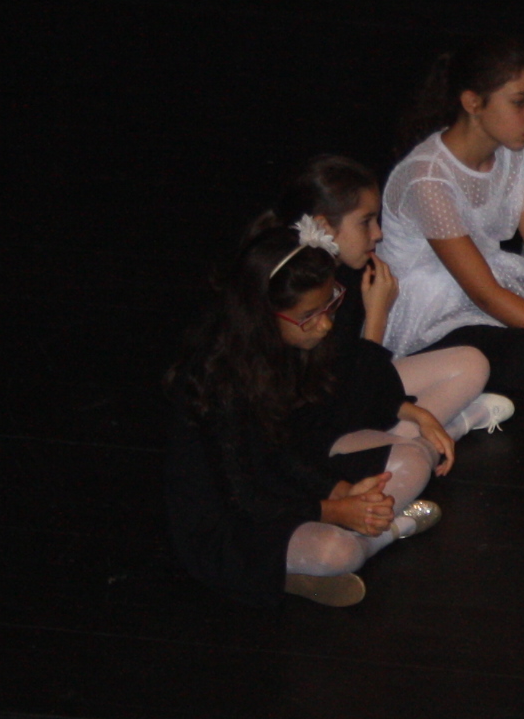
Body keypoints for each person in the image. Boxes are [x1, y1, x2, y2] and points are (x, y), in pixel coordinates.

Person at [163, 222, 466, 609]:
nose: (325, 324)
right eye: (309, 315)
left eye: (329, 305)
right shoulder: (219, 379)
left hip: (276, 487)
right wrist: (334, 510)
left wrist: (340, 491)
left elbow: (282, 452)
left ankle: (321, 557)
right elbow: (244, 496)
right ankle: (382, 534)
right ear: (263, 314)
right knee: (337, 551)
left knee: (398, 471)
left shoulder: (288, 346)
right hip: (230, 520)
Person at [380, 41, 524, 436]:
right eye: (520, 102)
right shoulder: (428, 177)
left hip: (489, 285)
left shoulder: (511, 154)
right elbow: (484, 294)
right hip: (432, 316)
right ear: (473, 102)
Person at [272, 151, 516, 438]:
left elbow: (364, 383)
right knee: (403, 460)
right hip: (326, 428)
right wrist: (377, 318)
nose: (378, 233)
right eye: (365, 222)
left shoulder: (350, 274)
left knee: (472, 363)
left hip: (352, 397)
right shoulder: (297, 289)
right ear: (324, 227)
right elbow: (351, 404)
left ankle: (438, 429)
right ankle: (433, 435)